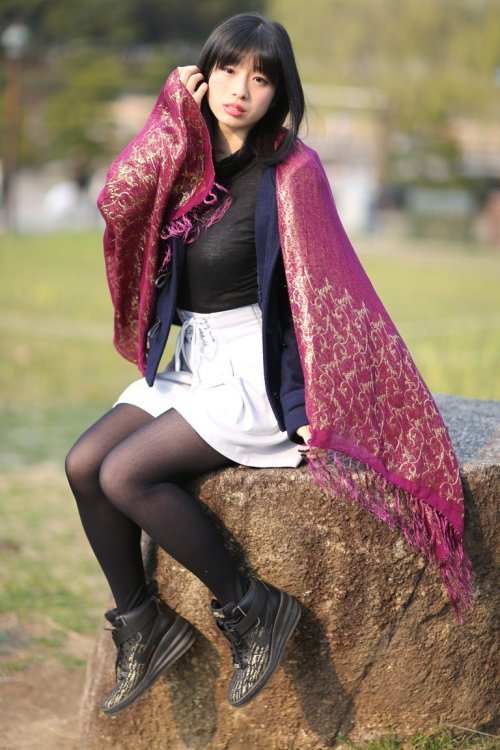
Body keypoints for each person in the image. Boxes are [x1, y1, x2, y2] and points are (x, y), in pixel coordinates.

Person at [66, 11, 472, 719]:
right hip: (190, 361)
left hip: (249, 370)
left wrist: (314, 403)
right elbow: (117, 199)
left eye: (260, 78)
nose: (240, 89)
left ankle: (252, 607)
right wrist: (169, 117)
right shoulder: (184, 158)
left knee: (124, 473)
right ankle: (143, 623)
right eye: (227, 70)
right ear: (206, 73)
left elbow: (328, 288)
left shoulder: (292, 171)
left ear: (279, 92)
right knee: (81, 464)